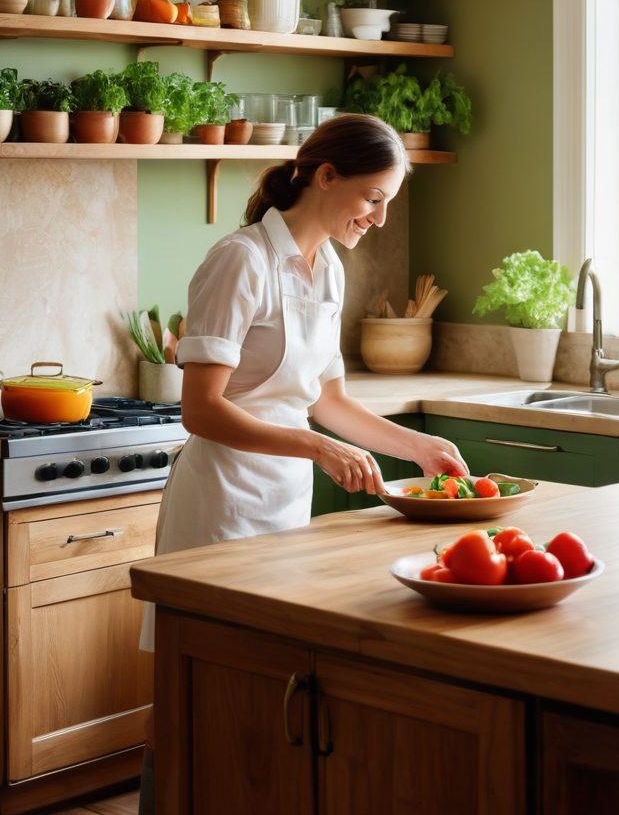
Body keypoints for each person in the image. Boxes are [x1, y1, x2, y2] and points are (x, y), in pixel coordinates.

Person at [137, 113, 467, 812]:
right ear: (326, 176)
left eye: (388, 203)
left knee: (264, 692)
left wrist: (418, 448)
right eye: (373, 198)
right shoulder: (241, 260)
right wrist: (317, 447)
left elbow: (327, 401)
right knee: (195, 693)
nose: (378, 218)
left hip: (286, 506)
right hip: (220, 505)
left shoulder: (330, 270)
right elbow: (202, 409)